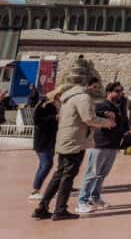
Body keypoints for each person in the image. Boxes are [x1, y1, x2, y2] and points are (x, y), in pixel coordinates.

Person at [32, 77, 116, 221]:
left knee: (58, 175)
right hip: (75, 141)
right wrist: (107, 122)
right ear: (86, 86)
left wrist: (101, 115)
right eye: (95, 87)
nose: (97, 90)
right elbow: (88, 118)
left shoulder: (70, 98)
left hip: (66, 139)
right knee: (68, 176)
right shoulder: (84, 98)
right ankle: (60, 210)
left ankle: (42, 207)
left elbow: (78, 115)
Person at [76, 81, 129, 214]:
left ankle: (95, 197)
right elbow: (92, 115)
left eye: (121, 91)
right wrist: (105, 114)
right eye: (117, 91)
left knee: (102, 174)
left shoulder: (120, 106)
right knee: (92, 173)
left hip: (113, 144)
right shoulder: (101, 105)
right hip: (100, 144)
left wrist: (127, 133)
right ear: (109, 93)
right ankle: (82, 201)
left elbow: (124, 121)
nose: (120, 93)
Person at [29, 87, 63, 200]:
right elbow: (37, 119)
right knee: (47, 164)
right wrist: (55, 118)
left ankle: (36, 188)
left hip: (50, 141)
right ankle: (35, 191)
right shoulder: (45, 104)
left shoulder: (55, 105)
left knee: (43, 165)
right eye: (59, 95)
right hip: (42, 141)